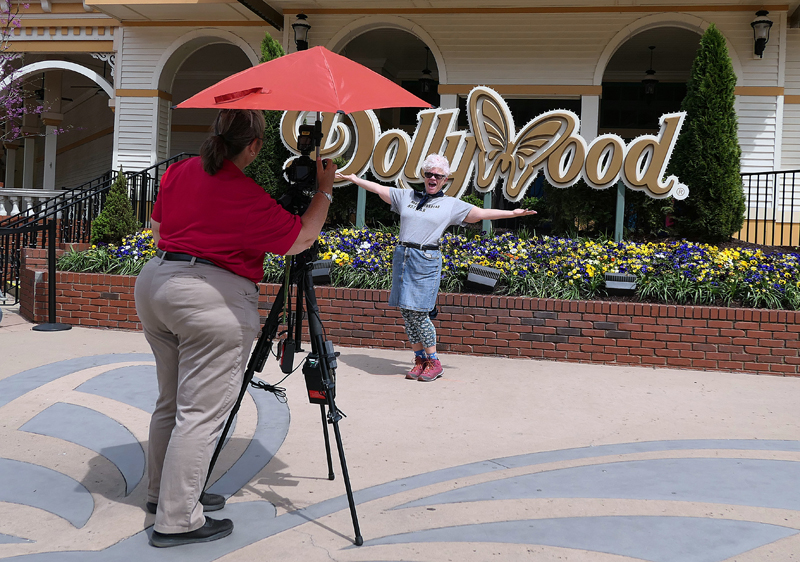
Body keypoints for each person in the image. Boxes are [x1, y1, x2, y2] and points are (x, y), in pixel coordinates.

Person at [134, 109, 336, 548]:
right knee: (201, 412)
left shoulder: (179, 170)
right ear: (254, 146)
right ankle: (177, 519)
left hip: (155, 284)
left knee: (172, 401)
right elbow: (300, 238)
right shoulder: (243, 193)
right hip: (209, 299)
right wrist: (324, 190)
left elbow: (158, 228)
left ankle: (162, 495)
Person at [336, 153, 535, 382]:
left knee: (419, 313)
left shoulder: (450, 205)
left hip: (426, 258)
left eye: (437, 176)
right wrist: (354, 179)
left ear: (445, 180)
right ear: (424, 175)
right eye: (429, 174)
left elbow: (480, 214)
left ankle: (434, 362)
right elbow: (379, 188)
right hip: (404, 257)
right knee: (407, 312)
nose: (433, 178)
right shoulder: (407, 196)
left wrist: (512, 213)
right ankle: (420, 359)